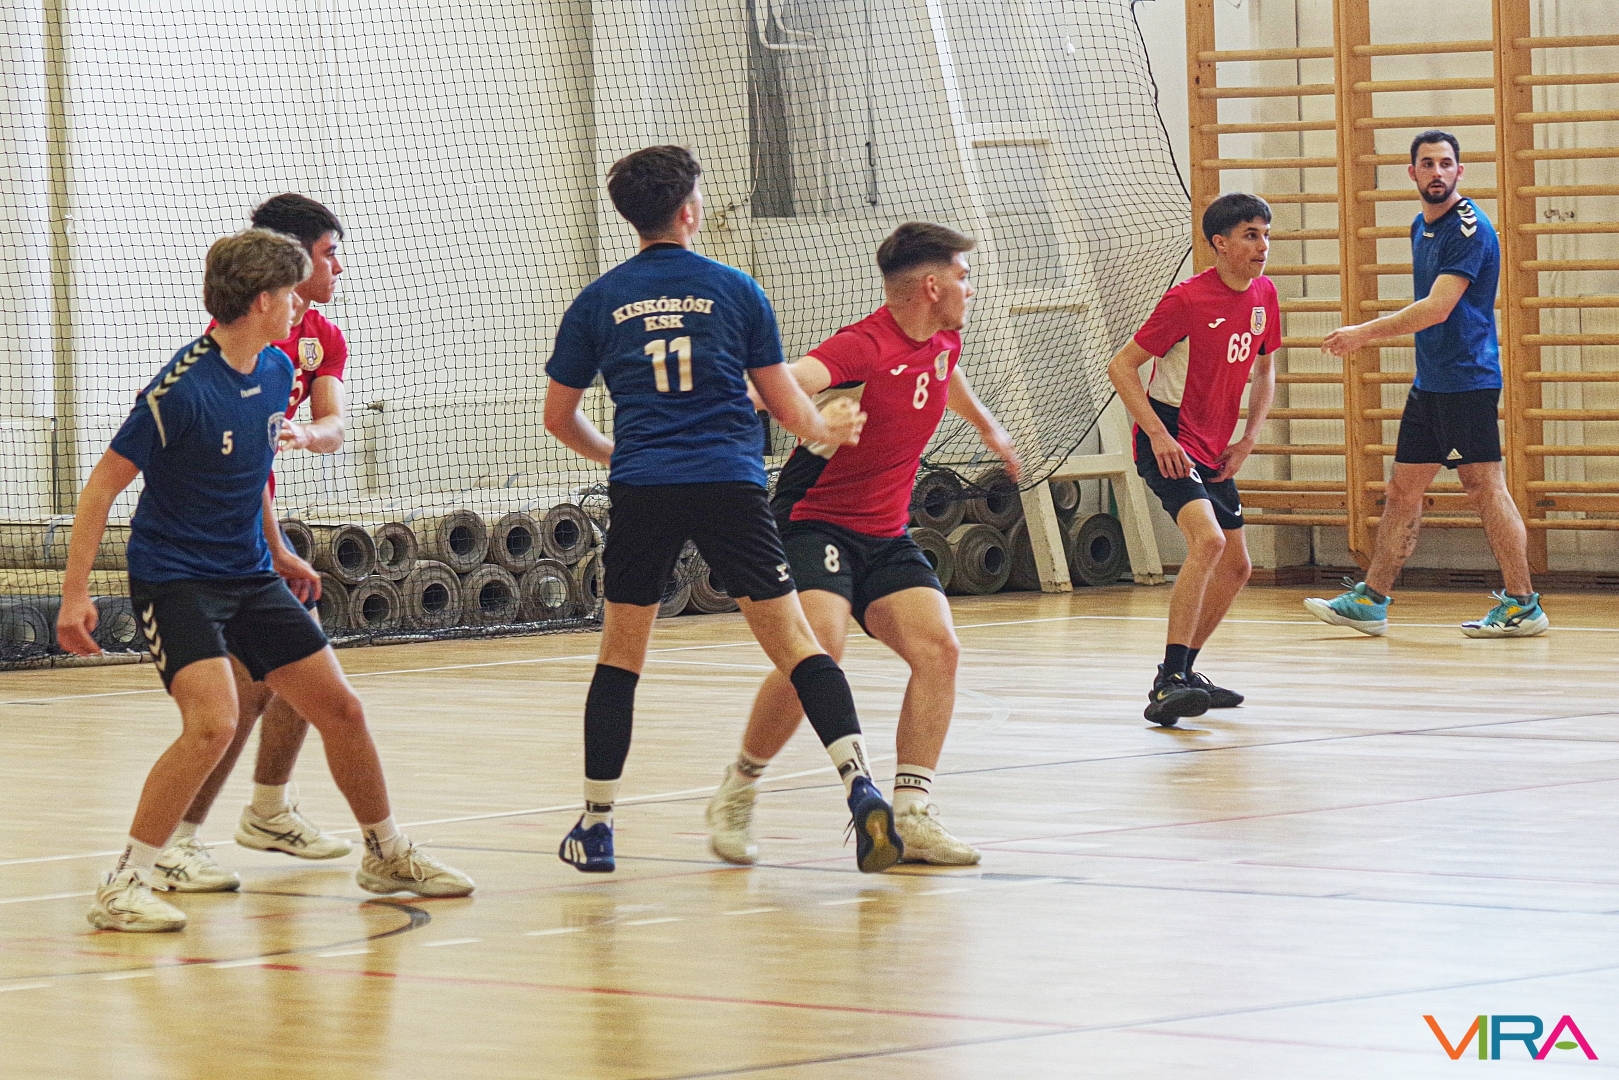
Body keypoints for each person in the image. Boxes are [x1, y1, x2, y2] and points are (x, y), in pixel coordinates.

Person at [59, 229, 472, 933]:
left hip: (249, 573)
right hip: (177, 579)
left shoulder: (278, 370)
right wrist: (74, 597)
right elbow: (100, 489)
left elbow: (252, 470)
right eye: (288, 294)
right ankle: (124, 883)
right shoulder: (179, 391)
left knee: (341, 709)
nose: (298, 305)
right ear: (260, 301)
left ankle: (386, 853)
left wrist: (277, 549)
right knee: (213, 725)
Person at [544, 145, 904, 875]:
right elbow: (786, 404)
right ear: (689, 211)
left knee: (621, 657)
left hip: (644, 489)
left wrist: (619, 455)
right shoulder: (737, 290)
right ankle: (861, 785)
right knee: (798, 647)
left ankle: (597, 825)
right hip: (729, 486)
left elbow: (559, 417)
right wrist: (825, 427)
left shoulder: (598, 300)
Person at [705, 221, 1018, 867]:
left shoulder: (943, 336)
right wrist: (753, 401)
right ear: (930, 286)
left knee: (939, 650)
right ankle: (739, 786)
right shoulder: (863, 346)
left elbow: (945, 373)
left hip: (885, 531)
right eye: (962, 276)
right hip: (813, 522)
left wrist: (987, 425)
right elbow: (789, 378)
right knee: (817, 651)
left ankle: (911, 816)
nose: (971, 287)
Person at [154, 194, 355, 894]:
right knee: (243, 689)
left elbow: (333, 424)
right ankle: (178, 838)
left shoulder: (320, 336)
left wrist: (305, 433)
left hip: (258, 522)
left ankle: (268, 808)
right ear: (289, 262)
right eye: (328, 253)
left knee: (293, 668)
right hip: (214, 534)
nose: (338, 267)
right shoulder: (238, 339)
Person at [1309, 131, 1547, 638]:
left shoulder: (1468, 228)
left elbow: (1438, 308)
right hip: (1431, 383)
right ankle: (1371, 599)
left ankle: (1524, 603)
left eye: (1445, 163)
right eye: (1427, 163)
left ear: (1460, 171)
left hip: (1466, 381)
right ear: (1412, 172)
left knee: (1484, 487)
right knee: (1402, 489)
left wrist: (1363, 333)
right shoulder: (1422, 225)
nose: (1436, 172)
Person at [1106, 193, 1280, 726]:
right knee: (1208, 541)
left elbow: (1265, 370)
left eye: (1266, 234)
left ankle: (1182, 674)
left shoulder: (1265, 294)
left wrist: (1247, 439)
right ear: (1219, 244)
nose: (1262, 245)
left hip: (1213, 447)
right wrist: (1159, 436)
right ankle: (1170, 681)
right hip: (1170, 441)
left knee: (1238, 566)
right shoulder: (1186, 300)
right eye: (1250, 235)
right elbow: (1122, 367)